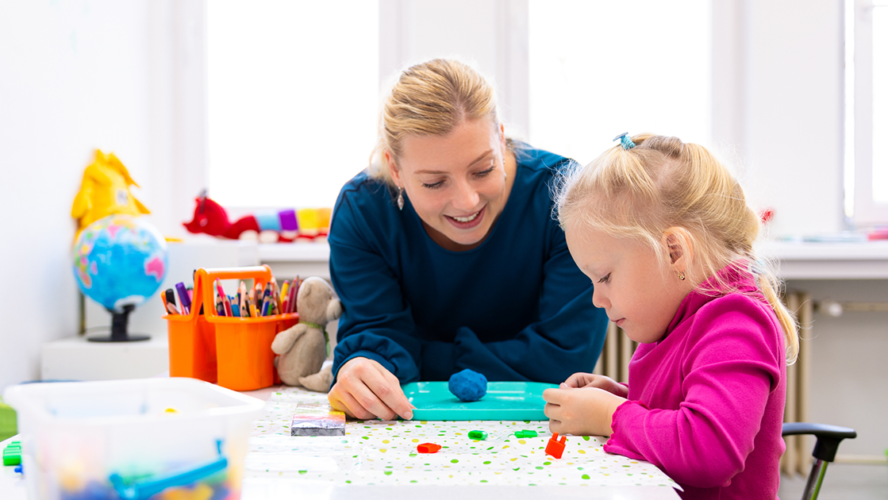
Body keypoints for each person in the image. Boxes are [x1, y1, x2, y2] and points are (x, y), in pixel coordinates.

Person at [326, 58, 609, 421]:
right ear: (395, 169)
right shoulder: (363, 212)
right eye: (434, 182)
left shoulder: (567, 197)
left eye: (483, 169)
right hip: (411, 427)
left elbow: (564, 359)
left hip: (541, 423)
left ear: (501, 138)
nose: (467, 201)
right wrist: (363, 369)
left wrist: (416, 358)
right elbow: (375, 341)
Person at [544, 133, 798, 499]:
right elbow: (687, 410)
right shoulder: (682, 317)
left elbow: (708, 451)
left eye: (605, 277)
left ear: (674, 252)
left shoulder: (736, 322)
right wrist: (626, 400)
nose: (597, 299)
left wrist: (611, 416)